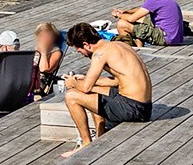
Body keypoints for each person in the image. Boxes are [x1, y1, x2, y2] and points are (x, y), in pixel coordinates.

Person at [58, 23, 154, 157]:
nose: (82, 55)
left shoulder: (100, 53)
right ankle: (100, 135)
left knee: (72, 96)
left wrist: (73, 83)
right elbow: (116, 80)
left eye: (79, 51)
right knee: (95, 91)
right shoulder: (119, 45)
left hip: (132, 108)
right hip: (144, 107)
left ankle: (85, 143)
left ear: (86, 44)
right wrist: (86, 79)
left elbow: (85, 88)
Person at [110, 0, 185, 47]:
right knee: (140, 20)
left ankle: (130, 48)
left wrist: (118, 15)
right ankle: (139, 45)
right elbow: (141, 11)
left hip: (166, 38)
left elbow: (131, 19)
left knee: (122, 24)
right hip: (175, 36)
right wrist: (126, 11)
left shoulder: (153, 0)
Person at [34, 21, 65, 94]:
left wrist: (43, 53)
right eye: (42, 36)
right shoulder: (35, 51)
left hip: (41, 81)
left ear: (53, 38)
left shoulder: (56, 52)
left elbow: (44, 69)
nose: (44, 39)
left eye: (48, 37)